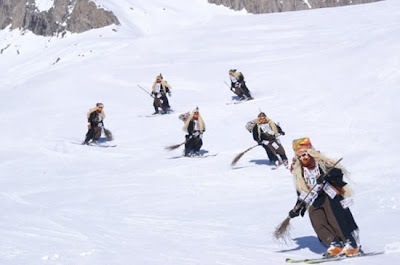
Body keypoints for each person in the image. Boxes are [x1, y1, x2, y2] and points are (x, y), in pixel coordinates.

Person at [288, 137, 361, 257]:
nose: (303, 158)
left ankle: (351, 244)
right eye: (300, 156)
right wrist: (297, 208)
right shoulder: (299, 171)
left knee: (336, 219)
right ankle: (334, 244)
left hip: (330, 195)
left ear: (311, 153)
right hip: (314, 198)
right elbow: (301, 191)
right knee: (317, 221)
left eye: (305, 155)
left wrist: (327, 176)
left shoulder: (322, 163)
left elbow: (338, 173)